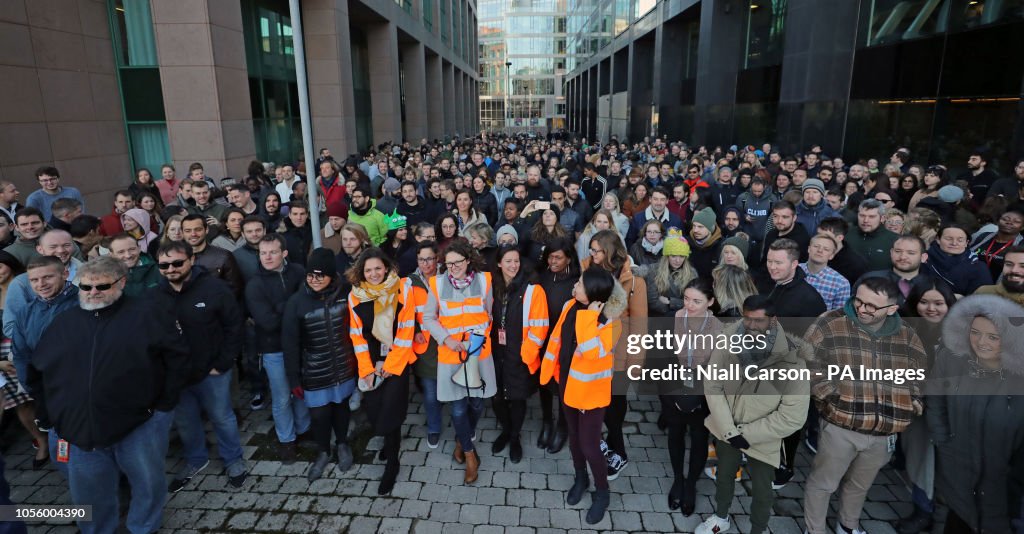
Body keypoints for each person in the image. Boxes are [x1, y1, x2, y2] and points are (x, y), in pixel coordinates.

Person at [27, 257, 186, 534]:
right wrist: (48, 415)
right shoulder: (64, 322)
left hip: (139, 424)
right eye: (85, 287)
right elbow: (37, 372)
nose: (92, 292)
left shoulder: (147, 315)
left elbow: (177, 359)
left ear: (121, 282)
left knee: (147, 482)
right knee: (88, 492)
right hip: (79, 429)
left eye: (101, 286)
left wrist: (164, 406)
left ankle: (143, 527)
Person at [803, 276, 927, 534]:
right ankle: (814, 530)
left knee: (860, 485)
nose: (862, 308)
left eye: (872, 306)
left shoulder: (907, 335)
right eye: (858, 300)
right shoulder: (831, 322)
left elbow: (918, 374)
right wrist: (830, 395)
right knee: (824, 483)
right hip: (841, 425)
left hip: (884, 433)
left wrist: (913, 400)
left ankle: (847, 526)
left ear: (892, 308)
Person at [697, 295, 810, 534]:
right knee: (725, 475)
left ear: (773, 320)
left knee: (762, 488)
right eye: (747, 318)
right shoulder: (726, 341)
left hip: (764, 437)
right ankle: (720, 517)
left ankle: (757, 529)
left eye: (759, 321)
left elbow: (793, 415)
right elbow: (713, 385)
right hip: (727, 428)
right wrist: (730, 430)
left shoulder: (793, 360)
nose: (751, 326)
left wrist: (745, 434)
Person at [153, 242, 247, 493]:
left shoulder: (215, 289)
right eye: (164, 265)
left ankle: (233, 460)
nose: (170, 268)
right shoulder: (154, 296)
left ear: (191, 260)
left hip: (212, 372)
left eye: (176, 263)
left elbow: (234, 327)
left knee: (222, 417)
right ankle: (196, 459)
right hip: (177, 376)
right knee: (186, 421)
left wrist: (223, 363)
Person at [926, 294, 1024, 534]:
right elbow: (936, 400)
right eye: (975, 333)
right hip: (958, 478)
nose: (982, 342)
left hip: (1004, 487)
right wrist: (943, 441)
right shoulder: (952, 359)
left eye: (993, 337)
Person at [540, 266, 625, 525]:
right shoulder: (569, 306)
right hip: (567, 386)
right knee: (575, 439)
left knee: (590, 445)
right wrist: (551, 371)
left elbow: (591, 352)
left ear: (593, 293)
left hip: (591, 394)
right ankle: (581, 478)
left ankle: (602, 492)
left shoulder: (612, 323)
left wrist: (589, 318)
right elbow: (558, 339)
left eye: (579, 283)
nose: (574, 286)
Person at [421, 239, 497, 484]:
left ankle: (462, 438)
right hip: (451, 352)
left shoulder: (485, 280)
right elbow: (429, 318)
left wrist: (476, 340)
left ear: (468, 260)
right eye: (448, 263)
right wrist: (446, 339)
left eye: (458, 262)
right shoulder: (437, 283)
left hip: (477, 350)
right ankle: (469, 452)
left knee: (476, 403)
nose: (453, 267)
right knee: (457, 407)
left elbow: (488, 315)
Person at [282, 248, 358, 481]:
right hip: (315, 371)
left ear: (332, 276)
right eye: (310, 275)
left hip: (343, 367)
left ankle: (343, 443)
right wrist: (294, 378)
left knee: (341, 408)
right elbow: (290, 343)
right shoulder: (297, 302)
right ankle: (323, 451)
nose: (314, 280)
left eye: (319, 275)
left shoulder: (346, 293)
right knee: (319, 416)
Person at [348, 248, 414, 495]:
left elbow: (406, 330)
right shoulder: (355, 296)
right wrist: (366, 368)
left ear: (386, 267)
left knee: (392, 410)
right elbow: (357, 336)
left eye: (378, 268)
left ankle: (393, 462)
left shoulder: (402, 290)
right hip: (370, 361)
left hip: (396, 360)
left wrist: (390, 366)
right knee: (375, 410)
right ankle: (387, 438)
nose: (374, 273)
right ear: (361, 273)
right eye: (368, 270)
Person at [582, 229, 647, 479]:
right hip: (596, 349)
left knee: (615, 406)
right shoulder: (589, 271)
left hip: (620, 353)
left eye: (596, 250)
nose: (592, 254)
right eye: (591, 250)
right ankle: (608, 448)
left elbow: (640, 325)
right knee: (600, 403)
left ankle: (618, 451)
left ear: (608, 251)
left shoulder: (634, 282)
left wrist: (635, 361)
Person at [895, 279, 956, 534]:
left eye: (939, 303)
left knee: (939, 465)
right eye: (924, 302)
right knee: (919, 460)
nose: (931, 308)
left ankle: (929, 513)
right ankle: (923, 507)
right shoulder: (903, 328)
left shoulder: (961, 333)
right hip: (913, 408)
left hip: (947, 410)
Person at [244, 234, 310, 463]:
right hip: (274, 349)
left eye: (272, 252)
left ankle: (304, 428)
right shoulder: (255, 285)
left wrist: (282, 308)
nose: (267, 257)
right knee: (282, 397)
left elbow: (308, 303)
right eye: (263, 253)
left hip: (302, 343)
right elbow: (268, 322)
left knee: (302, 390)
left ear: (284, 253)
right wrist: (291, 304)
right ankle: (286, 439)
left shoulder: (299, 272)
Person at [663, 278, 721, 515]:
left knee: (699, 438)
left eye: (697, 301)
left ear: (710, 302)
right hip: (674, 389)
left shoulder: (719, 329)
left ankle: (691, 484)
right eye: (686, 299)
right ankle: (678, 478)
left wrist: (700, 396)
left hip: (703, 394)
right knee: (675, 434)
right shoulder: (671, 320)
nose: (690, 305)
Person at [488, 246, 549, 464]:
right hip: (495, 352)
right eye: (508, 261)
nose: (513, 265)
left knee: (517, 397)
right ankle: (506, 430)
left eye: (516, 261)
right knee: (496, 397)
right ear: (498, 264)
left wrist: (527, 355)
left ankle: (515, 437)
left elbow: (539, 327)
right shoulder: (491, 286)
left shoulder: (533, 290)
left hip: (520, 353)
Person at [535, 238, 580, 453]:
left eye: (558, 257)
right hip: (543, 340)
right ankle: (546, 421)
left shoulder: (576, 282)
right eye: (550, 256)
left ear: (569, 258)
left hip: (565, 343)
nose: (553, 261)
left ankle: (563, 427)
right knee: (543, 382)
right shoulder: (542, 276)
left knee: (562, 386)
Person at [404, 242, 444, 448]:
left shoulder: (447, 278)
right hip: (425, 346)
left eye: (430, 258)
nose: (426, 263)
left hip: (447, 341)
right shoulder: (409, 283)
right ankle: (434, 427)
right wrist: (416, 332)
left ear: (437, 258)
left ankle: (462, 426)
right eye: (422, 259)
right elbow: (406, 313)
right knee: (429, 392)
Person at [180, 215, 243, 299]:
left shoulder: (223, 256)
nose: (193, 234)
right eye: (188, 231)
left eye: (198, 229)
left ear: (206, 230)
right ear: (182, 233)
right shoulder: (175, 258)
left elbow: (234, 289)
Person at [924, 224, 992, 296]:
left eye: (960, 240)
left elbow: (982, 299)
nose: (954, 243)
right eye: (948, 239)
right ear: (938, 239)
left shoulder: (978, 267)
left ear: (966, 243)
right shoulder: (923, 260)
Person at [644, 229, 697, 317]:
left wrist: (670, 301)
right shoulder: (653, 270)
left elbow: (693, 302)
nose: (678, 260)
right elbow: (653, 301)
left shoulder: (692, 273)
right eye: (673, 256)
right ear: (667, 256)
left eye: (682, 256)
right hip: (659, 319)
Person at [970, 206, 1024, 281]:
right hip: (968, 282)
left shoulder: (1021, 245)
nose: (1009, 222)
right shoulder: (981, 236)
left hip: (997, 289)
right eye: (1005, 219)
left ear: (1022, 227)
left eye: (1016, 221)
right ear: (998, 221)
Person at [845, 199, 899, 271]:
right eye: (862, 215)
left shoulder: (895, 240)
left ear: (882, 218)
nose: (866, 220)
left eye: (872, 217)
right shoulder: (846, 234)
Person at [800, 234, 851, 311]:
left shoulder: (841, 283)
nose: (820, 250)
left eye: (826, 249)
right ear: (809, 249)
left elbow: (839, 317)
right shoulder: (791, 270)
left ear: (831, 256)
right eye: (816, 246)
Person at [108, 233, 161, 298]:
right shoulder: (107, 276)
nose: (128, 255)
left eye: (132, 249)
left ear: (139, 249)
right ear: (111, 255)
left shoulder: (160, 269)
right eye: (121, 252)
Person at [689, 207, 724, 278]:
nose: (695, 230)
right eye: (694, 226)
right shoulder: (687, 243)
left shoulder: (721, 247)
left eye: (700, 227)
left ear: (710, 229)